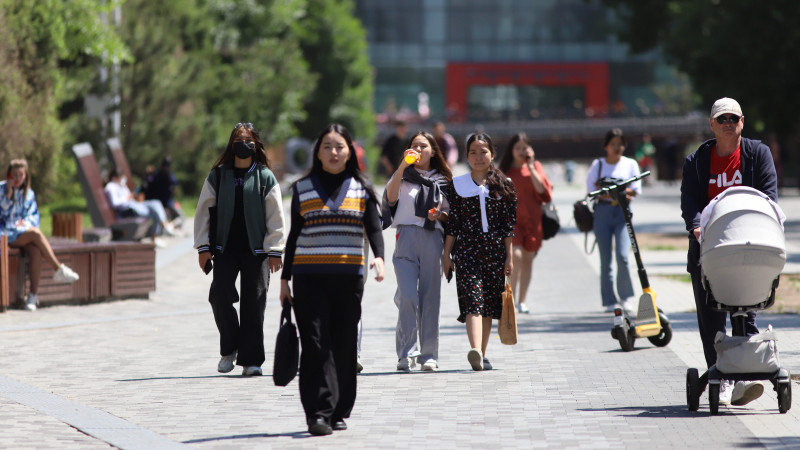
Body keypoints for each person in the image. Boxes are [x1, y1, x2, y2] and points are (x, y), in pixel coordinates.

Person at [279, 123, 385, 436]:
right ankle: (318, 413)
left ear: (350, 151)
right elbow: (294, 236)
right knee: (314, 344)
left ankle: (340, 410)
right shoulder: (302, 188)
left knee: (343, 344)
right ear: (318, 152)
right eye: (327, 146)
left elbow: (374, 229)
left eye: (339, 146)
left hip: (348, 277)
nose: (334, 152)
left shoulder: (362, 188)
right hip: (308, 278)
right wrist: (285, 278)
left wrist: (378, 258)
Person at [680, 97, 776, 407]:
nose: (728, 123)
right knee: (711, 317)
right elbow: (690, 203)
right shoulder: (697, 161)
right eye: (722, 119)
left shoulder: (756, 154)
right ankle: (720, 377)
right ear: (711, 124)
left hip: (747, 244)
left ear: (742, 122)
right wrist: (697, 228)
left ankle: (745, 376)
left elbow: (768, 196)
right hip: (708, 248)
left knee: (744, 309)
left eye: (733, 118)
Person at [194, 122, 286, 377]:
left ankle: (252, 360)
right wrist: (203, 248)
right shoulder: (218, 175)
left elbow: (275, 215)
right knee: (219, 297)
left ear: (255, 144)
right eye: (238, 139)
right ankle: (230, 348)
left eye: (248, 139)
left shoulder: (265, 176)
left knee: (254, 304)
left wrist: (275, 249)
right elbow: (203, 212)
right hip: (224, 249)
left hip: (257, 251)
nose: (243, 144)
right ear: (231, 144)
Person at [442, 133, 516, 371]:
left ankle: (481, 355)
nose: (478, 157)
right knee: (472, 301)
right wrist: (446, 255)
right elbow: (453, 224)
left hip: (495, 253)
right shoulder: (457, 185)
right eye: (473, 152)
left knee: (488, 307)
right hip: (466, 252)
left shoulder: (505, 185)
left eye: (483, 151)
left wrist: (509, 256)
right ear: (466, 156)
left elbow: (508, 226)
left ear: (492, 154)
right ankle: (474, 349)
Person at [382, 131, 453, 372]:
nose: (418, 150)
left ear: (433, 151)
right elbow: (390, 199)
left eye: (423, 146)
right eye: (414, 146)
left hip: (433, 237)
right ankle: (405, 353)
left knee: (430, 299)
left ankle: (428, 355)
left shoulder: (443, 180)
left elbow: (451, 215)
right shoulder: (403, 175)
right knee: (409, 296)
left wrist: (439, 215)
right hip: (406, 237)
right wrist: (402, 166)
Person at [0, 159, 80, 311]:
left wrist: (25, 223)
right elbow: (2, 214)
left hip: (21, 233)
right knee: (36, 234)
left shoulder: (29, 194)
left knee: (36, 250)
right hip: (4, 234)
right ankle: (58, 269)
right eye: (14, 175)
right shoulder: (1, 190)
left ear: (26, 176)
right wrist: (8, 196)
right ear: (9, 175)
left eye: (20, 175)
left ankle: (32, 296)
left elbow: (34, 217)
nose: (17, 178)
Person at [585, 128, 641, 314]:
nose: (617, 148)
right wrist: (610, 191)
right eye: (613, 144)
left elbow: (636, 189)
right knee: (605, 258)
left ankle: (624, 297)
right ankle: (609, 300)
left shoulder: (630, 164)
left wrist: (618, 191)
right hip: (602, 211)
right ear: (606, 146)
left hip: (623, 211)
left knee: (623, 256)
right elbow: (590, 187)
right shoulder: (598, 164)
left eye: (620, 144)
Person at [498, 132, 553, 314]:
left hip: (533, 220)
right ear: (511, 150)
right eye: (517, 148)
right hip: (512, 222)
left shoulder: (535, 166)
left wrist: (531, 167)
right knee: (516, 257)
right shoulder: (504, 170)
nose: (521, 151)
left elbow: (544, 192)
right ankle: (510, 299)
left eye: (524, 148)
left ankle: (523, 301)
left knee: (528, 260)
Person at [105, 168, 176, 244]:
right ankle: (157, 234)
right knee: (155, 213)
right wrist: (127, 198)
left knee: (156, 203)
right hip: (128, 210)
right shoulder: (110, 187)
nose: (123, 179)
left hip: (134, 205)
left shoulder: (122, 186)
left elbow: (129, 196)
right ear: (114, 178)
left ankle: (165, 224)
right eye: (121, 177)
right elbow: (115, 203)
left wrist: (135, 197)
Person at [144, 156, 184, 226]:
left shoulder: (156, 174)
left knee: (169, 217)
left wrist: (149, 174)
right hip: (166, 203)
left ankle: (169, 225)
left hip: (158, 202)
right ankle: (170, 226)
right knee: (181, 217)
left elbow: (148, 184)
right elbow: (175, 189)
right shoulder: (169, 175)